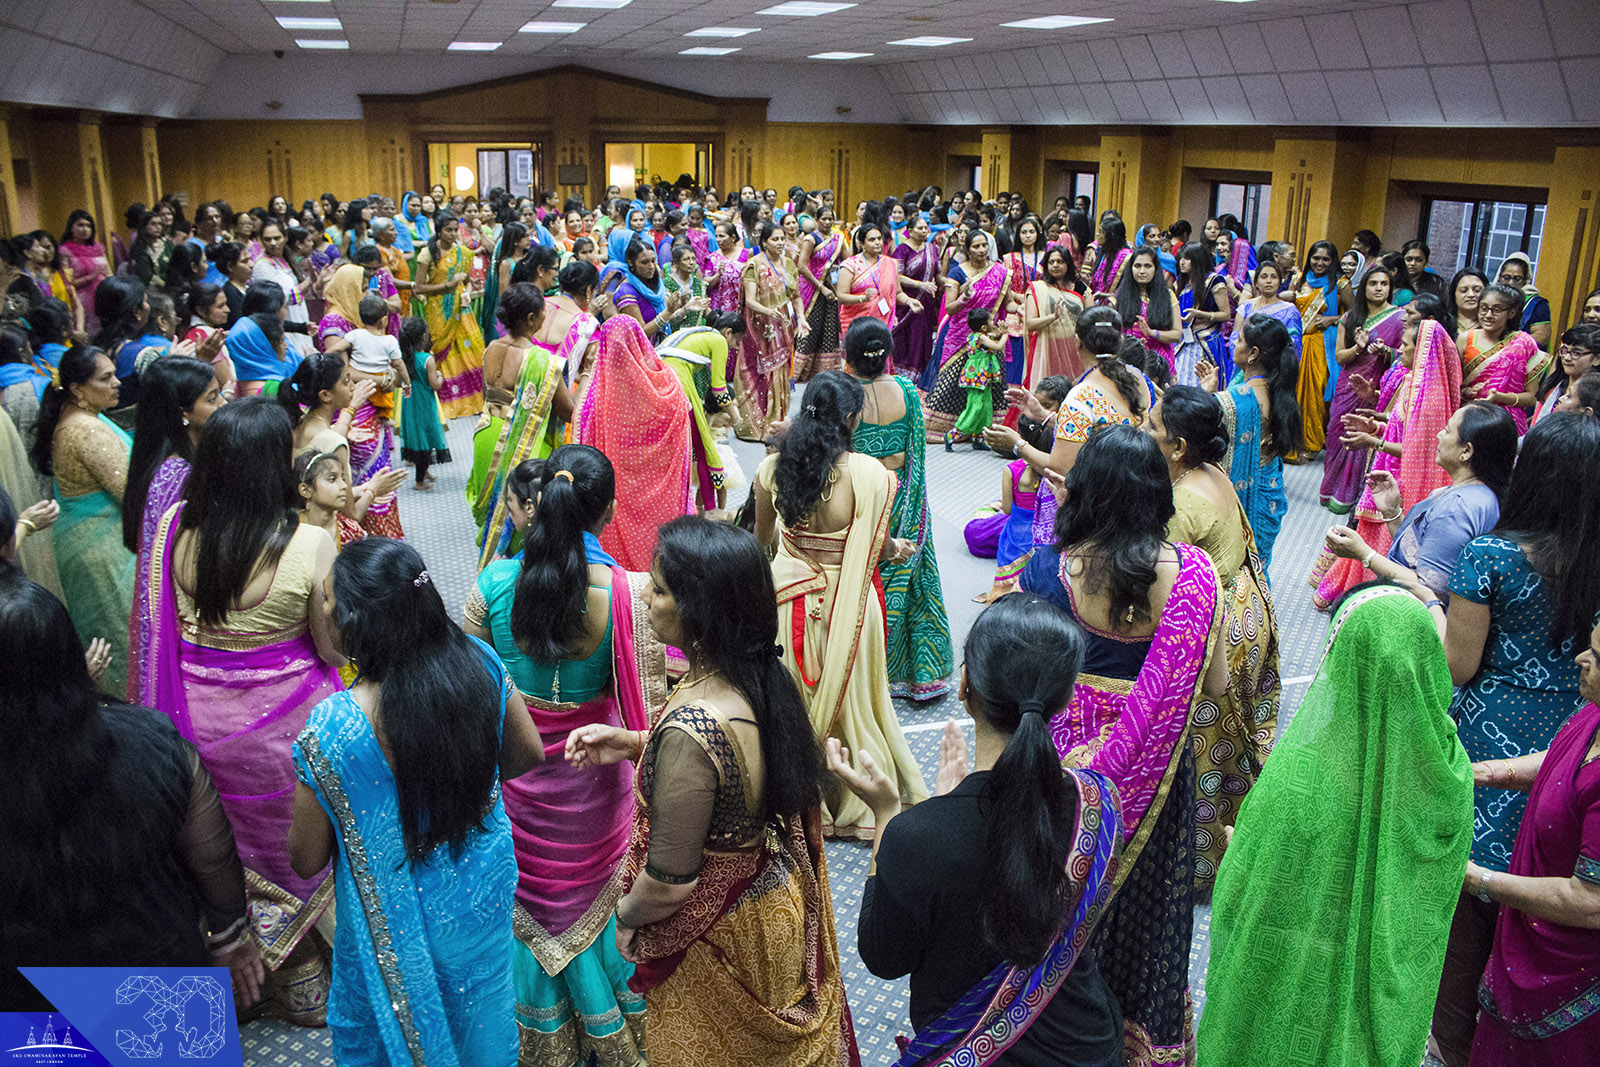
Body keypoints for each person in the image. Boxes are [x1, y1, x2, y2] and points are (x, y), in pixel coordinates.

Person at [564, 517, 861, 1066]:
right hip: (769, 908)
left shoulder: (693, 731)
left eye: (659, 589)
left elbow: (670, 884)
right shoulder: (755, 678)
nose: (647, 600)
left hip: (719, 942)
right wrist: (635, 743)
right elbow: (732, 778)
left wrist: (623, 920)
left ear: (698, 610)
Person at [833, 594, 1124, 1067]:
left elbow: (883, 957)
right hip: (1087, 1046)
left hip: (973, 1052)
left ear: (964, 684)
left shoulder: (917, 836)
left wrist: (889, 816)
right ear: (1067, 697)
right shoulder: (1099, 801)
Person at [290, 537, 544, 1066]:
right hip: (478, 896)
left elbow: (306, 859)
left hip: (394, 928)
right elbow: (527, 754)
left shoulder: (335, 728)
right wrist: (466, 782)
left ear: (358, 625)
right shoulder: (480, 664)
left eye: (329, 603)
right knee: (484, 1019)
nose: (324, 612)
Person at [1197, 582, 1473, 1066]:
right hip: (1373, 986)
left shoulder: (1297, 777)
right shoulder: (1446, 773)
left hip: (1287, 970)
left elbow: (1241, 891)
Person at [1019, 424, 1226, 1066]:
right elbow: (1213, 686)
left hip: (1067, 774)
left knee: (1068, 894)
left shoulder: (1051, 571)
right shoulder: (1193, 578)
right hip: (1159, 775)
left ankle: (1056, 1027)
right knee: (1150, 913)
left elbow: (1030, 671)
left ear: (1083, 493)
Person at [463, 446, 666, 1067]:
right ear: (606, 513)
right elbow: (654, 712)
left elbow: (472, 691)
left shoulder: (493, 585)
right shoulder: (630, 596)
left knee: (525, 899)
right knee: (595, 895)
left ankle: (541, 1034)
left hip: (516, 780)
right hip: (596, 781)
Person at [144, 398, 344, 1023]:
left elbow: (160, 631)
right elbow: (332, 646)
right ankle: (320, 983)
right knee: (304, 848)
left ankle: (287, 978)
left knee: (229, 849)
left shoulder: (174, 528)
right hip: (286, 731)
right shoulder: (309, 543)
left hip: (198, 726)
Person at [1423, 411, 1600, 1065]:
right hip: (1579, 741)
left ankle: (1452, 1040)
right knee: (1552, 902)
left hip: (1494, 742)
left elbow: (1459, 666)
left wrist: (1423, 597)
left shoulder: (1492, 556)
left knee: (1469, 912)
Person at [0, 571, 262, 1012]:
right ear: (69, 656)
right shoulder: (152, 741)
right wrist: (229, 936)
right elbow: (211, 854)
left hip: (26, 1001)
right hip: (156, 981)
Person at [754, 372, 929, 838]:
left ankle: (796, 788)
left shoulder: (771, 470)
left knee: (793, 696)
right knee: (858, 703)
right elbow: (869, 548)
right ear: (851, 418)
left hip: (788, 601)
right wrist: (893, 548)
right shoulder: (872, 475)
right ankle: (859, 791)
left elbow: (763, 543)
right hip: (851, 608)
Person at [1147, 385, 1281, 892]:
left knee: (1203, 746)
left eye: (1153, 426)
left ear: (1179, 447)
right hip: (1246, 609)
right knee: (1230, 736)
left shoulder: (1182, 502)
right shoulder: (1211, 472)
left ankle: (1201, 865)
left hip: (1220, 629)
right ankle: (1238, 838)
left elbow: (1165, 584)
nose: (1144, 430)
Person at [1462, 612, 1600, 1064]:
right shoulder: (1594, 714)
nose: (1580, 658)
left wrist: (1478, 879)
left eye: (1596, 657)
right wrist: (1486, 773)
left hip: (1572, 977)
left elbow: (1590, 901)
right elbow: (1567, 762)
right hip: (1533, 946)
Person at [1312, 316, 1458, 607]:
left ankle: (1371, 603)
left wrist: (1374, 442)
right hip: (1386, 474)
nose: (1398, 350)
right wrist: (1375, 427)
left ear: (1421, 353)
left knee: (1380, 544)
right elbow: (1399, 424)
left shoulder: (1430, 401)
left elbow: (1421, 452)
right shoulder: (1411, 383)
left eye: (1404, 345)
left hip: (1400, 486)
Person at [843, 319, 954, 701]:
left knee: (863, 580)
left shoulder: (843, 397)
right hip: (906, 498)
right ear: (887, 353)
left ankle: (868, 675)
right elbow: (919, 456)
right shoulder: (907, 390)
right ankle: (920, 676)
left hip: (864, 499)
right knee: (916, 582)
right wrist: (915, 507)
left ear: (849, 357)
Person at [1323, 402, 1517, 602]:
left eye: (1447, 430)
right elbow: (1418, 556)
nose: (1438, 435)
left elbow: (1428, 588)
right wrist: (1392, 512)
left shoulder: (1457, 508)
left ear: (1466, 451)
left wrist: (1364, 554)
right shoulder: (1476, 494)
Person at [29, 344, 134, 697]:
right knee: (119, 636)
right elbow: (129, 493)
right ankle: (128, 713)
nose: (117, 383)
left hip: (92, 545)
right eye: (106, 378)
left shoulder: (85, 419)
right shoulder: (86, 431)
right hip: (103, 554)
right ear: (77, 389)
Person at [123, 357, 224, 701]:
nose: (223, 405)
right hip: (181, 612)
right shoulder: (174, 476)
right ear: (182, 412)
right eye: (212, 398)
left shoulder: (186, 459)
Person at [574, 315, 689, 571]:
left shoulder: (598, 393)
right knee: (660, 550)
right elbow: (683, 426)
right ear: (640, 342)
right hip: (661, 493)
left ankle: (620, 592)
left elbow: (580, 427)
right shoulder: (667, 383)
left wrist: (586, 375)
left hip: (618, 494)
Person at [472, 284, 573, 564]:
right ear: (530, 319)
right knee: (524, 512)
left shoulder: (492, 347)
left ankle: (491, 573)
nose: (545, 317)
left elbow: (486, 394)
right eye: (543, 312)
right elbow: (567, 411)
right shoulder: (542, 360)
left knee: (493, 512)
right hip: (522, 440)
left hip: (486, 432)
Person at [1322, 264, 1403, 513]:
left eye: (1384, 284)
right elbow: (1340, 357)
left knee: (1367, 437)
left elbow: (1404, 359)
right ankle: (1333, 492)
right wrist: (1359, 347)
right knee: (1338, 434)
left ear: (1390, 288)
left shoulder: (1399, 318)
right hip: (1348, 387)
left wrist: (1385, 352)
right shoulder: (1350, 317)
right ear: (1364, 287)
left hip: (1378, 389)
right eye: (1373, 283)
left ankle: (1357, 496)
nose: (1379, 288)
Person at [921, 229, 1013, 437]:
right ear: (967, 249)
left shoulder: (1000, 271)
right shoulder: (957, 273)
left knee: (988, 386)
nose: (981, 250)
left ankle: (984, 430)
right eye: (976, 246)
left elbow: (1008, 303)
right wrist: (965, 297)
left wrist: (1024, 308)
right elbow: (951, 308)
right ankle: (945, 428)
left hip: (989, 334)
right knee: (951, 381)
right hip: (960, 335)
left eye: (984, 245)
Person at [658, 312, 742, 512]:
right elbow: (719, 389)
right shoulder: (718, 340)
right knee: (703, 447)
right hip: (676, 380)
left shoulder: (702, 334)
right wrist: (736, 416)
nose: (736, 347)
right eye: (737, 341)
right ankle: (711, 511)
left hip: (660, 379)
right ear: (728, 333)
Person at [734, 221, 802, 442]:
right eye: (775, 239)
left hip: (783, 326)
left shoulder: (790, 264)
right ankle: (756, 426)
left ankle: (778, 422)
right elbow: (750, 301)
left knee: (780, 371)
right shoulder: (754, 266)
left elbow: (796, 296)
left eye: (783, 238)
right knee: (759, 373)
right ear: (764, 242)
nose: (780, 243)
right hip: (759, 328)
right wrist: (769, 311)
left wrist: (800, 318)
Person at [415, 213, 486, 419]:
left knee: (471, 349)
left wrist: (467, 288)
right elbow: (418, 287)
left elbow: (468, 280)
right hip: (438, 310)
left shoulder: (463, 252)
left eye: (456, 229)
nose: (454, 234)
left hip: (462, 309)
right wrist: (448, 285)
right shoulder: (426, 255)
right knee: (440, 350)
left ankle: (473, 399)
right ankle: (445, 400)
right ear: (439, 231)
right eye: (449, 230)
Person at [1461, 283, 1545, 433]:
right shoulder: (1465, 339)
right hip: (1467, 418)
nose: (1488, 315)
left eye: (1497, 310)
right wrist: (1466, 392)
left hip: (1504, 424)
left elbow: (1532, 397)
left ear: (1511, 313)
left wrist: (1500, 397)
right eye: (1484, 308)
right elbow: (1453, 385)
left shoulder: (1524, 344)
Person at [1291, 240, 1341, 454]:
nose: (1320, 263)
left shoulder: (1340, 283)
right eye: (1316, 258)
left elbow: (1355, 313)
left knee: (1316, 391)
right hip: (1298, 341)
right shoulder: (1299, 281)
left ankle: (1312, 442)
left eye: (1325, 259)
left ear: (1332, 261)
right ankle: (1292, 442)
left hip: (1322, 343)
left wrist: (1332, 318)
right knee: (1294, 390)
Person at [942, 308, 1009, 451]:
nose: (994, 322)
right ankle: (952, 435)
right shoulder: (981, 337)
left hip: (981, 378)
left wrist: (1000, 332)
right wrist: (1005, 334)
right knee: (975, 407)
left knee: (985, 407)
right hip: (977, 378)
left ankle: (978, 438)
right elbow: (998, 346)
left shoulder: (977, 336)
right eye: (991, 320)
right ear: (983, 327)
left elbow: (994, 336)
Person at [793, 206, 845, 382]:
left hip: (831, 290)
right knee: (810, 328)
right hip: (811, 289)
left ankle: (825, 371)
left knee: (828, 329)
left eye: (831, 218)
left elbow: (848, 260)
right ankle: (799, 372)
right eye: (824, 219)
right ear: (816, 219)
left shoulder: (838, 239)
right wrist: (820, 287)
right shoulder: (810, 239)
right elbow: (801, 267)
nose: (828, 222)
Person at [1023, 245, 1085, 388]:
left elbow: (1087, 320)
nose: (1055, 266)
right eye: (1051, 262)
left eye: (1060, 262)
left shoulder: (1080, 289)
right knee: (1046, 393)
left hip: (1073, 349)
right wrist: (1053, 317)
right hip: (1047, 348)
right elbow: (1030, 324)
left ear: (1068, 264)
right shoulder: (1037, 288)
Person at [397, 316, 448, 488]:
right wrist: (440, 376)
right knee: (426, 435)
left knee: (417, 435)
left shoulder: (403, 357)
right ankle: (419, 481)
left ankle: (424, 472)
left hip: (410, 402)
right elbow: (435, 384)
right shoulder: (427, 359)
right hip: (425, 403)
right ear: (424, 337)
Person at [1115, 246, 1182, 378]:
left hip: (1159, 362)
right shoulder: (1120, 296)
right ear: (1131, 268)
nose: (1142, 271)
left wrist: (1152, 333)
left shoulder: (1167, 296)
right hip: (1128, 362)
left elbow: (1177, 334)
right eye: (1137, 266)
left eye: (1147, 266)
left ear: (1156, 269)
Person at [891, 213, 942, 380]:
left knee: (923, 338)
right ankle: (904, 373)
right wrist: (920, 284)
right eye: (920, 228)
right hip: (906, 301)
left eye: (925, 228)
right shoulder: (902, 249)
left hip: (927, 302)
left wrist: (951, 282)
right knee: (907, 339)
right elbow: (896, 276)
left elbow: (938, 274)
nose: (924, 231)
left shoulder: (932, 249)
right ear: (910, 231)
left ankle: (922, 375)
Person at [1532, 323, 1600, 425]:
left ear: (1597, 359)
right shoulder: (1551, 388)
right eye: (1564, 351)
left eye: (1576, 353)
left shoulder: (1595, 397)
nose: (1567, 358)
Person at [1496, 252, 1551, 351]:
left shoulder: (1536, 303)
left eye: (1517, 279)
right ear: (1499, 278)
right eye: (1506, 278)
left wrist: (1509, 345)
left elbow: (1542, 338)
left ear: (1525, 281)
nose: (1511, 283)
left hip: (1522, 355)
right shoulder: (1491, 299)